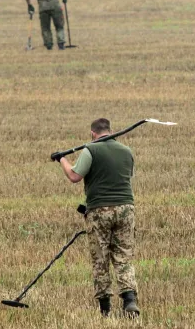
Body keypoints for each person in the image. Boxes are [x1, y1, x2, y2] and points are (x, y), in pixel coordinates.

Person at [55, 118, 140, 318]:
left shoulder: (90, 150)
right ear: (110, 131)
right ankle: (129, 300)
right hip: (126, 209)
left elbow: (75, 176)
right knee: (123, 256)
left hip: (99, 210)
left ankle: (105, 308)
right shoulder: (127, 151)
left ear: (93, 133)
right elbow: (126, 176)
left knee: (100, 259)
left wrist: (61, 159)